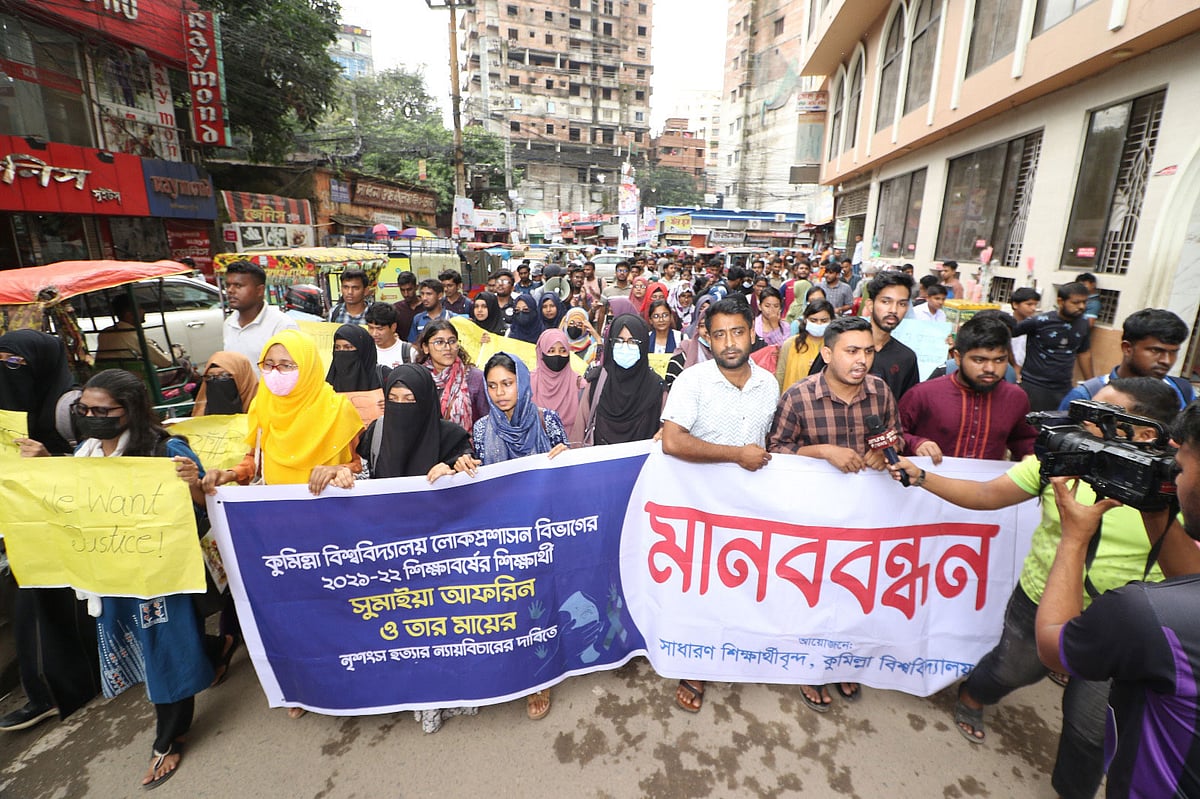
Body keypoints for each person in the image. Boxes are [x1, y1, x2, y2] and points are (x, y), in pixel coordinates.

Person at [887, 377, 1179, 799]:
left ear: (1145, 434)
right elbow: (988, 494)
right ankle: (973, 695)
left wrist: (1157, 506)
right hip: (1039, 600)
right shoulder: (1065, 458)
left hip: (1125, 627)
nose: (1083, 422)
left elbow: (1186, 572)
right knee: (1012, 669)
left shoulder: (1179, 485)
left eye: (1099, 417)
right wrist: (921, 478)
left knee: (1091, 726)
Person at [1035, 402, 1200, 798]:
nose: (1174, 473)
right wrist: (1155, 505)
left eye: (1181, 462)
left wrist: (1075, 537)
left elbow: (1053, 644)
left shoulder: (1148, 614)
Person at [202, 331, 364, 713]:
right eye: (269, 365)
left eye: (287, 365)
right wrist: (228, 473)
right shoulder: (264, 404)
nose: (276, 374)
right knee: (294, 609)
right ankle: (304, 687)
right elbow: (251, 460)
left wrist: (337, 468)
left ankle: (354, 673)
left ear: (307, 366)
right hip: (278, 526)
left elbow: (357, 465)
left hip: (328, 524)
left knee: (335, 604)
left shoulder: (335, 409)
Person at [70, 369, 213, 788]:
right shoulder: (84, 453)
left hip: (159, 577)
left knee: (166, 649)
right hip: (110, 574)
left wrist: (194, 485)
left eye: (102, 410)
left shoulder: (166, 449)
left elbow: (208, 511)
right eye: (85, 409)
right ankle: (214, 647)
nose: (91, 416)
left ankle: (167, 738)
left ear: (129, 410)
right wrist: (43, 471)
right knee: (145, 644)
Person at [768, 315, 903, 712]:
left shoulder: (880, 392)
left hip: (864, 519)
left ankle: (845, 660)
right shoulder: (798, 396)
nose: (862, 360)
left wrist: (884, 451)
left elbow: (895, 435)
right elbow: (776, 451)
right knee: (813, 593)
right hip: (811, 520)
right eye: (851, 351)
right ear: (827, 353)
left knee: (857, 591)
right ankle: (810, 668)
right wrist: (823, 451)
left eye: (867, 351)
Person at [660, 298, 780, 714]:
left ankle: (738, 651)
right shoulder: (691, 382)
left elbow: (768, 444)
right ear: (707, 339)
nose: (730, 343)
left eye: (738, 332)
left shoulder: (769, 383)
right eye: (719, 334)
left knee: (745, 580)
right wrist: (734, 455)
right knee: (701, 584)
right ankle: (694, 667)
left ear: (752, 333)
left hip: (751, 505)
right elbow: (673, 441)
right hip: (700, 506)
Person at [452, 352, 569, 721]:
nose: (501, 393)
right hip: (504, 531)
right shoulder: (483, 429)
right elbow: (480, 475)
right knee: (513, 603)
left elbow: (566, 473)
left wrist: (566, 457)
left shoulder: (546, 420)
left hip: (543, 527)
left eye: (507, 383)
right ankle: (521, 670)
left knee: (543, 600)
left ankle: (541, 676)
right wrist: (463, 463)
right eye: (492, 385)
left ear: (522, 381)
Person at [0, 331, 97, 734]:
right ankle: (47, 693)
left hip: (78, 523)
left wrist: (50, 459)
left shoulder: (73, 407)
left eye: (14, 363)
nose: (7, 373)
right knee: (32, 604)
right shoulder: (8, 410)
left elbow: (104, 465)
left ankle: (78, 683)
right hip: (28, 524)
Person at [899, 315, 1036, 462]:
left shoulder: (1015, 398)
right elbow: (894, 435)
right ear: (958, 357)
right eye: (979, 360)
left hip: (990, 483)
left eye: (999, 360)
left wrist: (1032, 458)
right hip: (927, 482)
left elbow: (1024, 440)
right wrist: (917, 444)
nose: (990, 368)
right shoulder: (922, 394)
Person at [810, 272, 919, 401]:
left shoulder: (906, 358)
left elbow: (907, 408)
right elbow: (810, 390)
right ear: (870, 305)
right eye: (886, 302)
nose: (893, 310)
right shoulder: (840, 346)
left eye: (902, 304)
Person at [1058, 308, 1195, 411]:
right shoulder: (1088, 395)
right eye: (1156, 351)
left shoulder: (1183, 391)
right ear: (1127, 348)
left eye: (1173, 352)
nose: (1167, 360)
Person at [578, 313, 663, 446]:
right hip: (600, 464)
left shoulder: (657, 387)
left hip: (644, 465)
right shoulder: (596, 381)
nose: (625, 346)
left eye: (632, 341)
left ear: (644, 345)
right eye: (619, 340)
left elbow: (666, 433)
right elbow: (578, 432)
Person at [1014, 282, 1094, 411]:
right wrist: (1013, 366)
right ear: (1060, 301)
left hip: (1063, 387)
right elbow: (1007, 334)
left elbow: (1084, 353)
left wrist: (1091, 384)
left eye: (1085, 302)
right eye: (1076, 302)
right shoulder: (1040, 321)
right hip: (1034, 387)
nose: (1081, 307)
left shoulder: (1083, 323)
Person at [222, 260, 298, 375]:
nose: (230, 290)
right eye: (228, 285)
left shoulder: (282, 325)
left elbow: (291, 373)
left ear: (260, 290)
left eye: (238, 285)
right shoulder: (229, 323)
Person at [416, 319, 488, 430]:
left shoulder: (475, 378)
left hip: (466, 445)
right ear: (425, 348)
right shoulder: (418, 379)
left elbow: (487, 421)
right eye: (439, 342)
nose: (448, 348)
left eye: (452, 341)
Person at [531, 328, 585, 443]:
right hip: (536, 452)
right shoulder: (528, 382)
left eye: (562, 351)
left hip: (571, 452)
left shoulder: (580, 384)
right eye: (551, 351)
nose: (557, 355)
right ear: (542, 353)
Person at [95, 294, 173, 367]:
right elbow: (165, 362)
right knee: (181, 362)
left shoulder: (104, 333)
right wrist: (176, 352)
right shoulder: (134, 335)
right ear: (129, 315)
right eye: (140, 308)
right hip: (133, 377)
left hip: (109, 375)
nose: (143, 311)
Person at [775, 300, 834, 391]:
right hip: (793, 399)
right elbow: (780, 375)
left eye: (824, 321)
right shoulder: (791, 344)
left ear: (831, 321)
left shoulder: (834, 346)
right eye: (813, 320)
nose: (819, 324)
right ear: (805, 320)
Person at [192, 351, 257, 416]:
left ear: (243, 377)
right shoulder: (201, 414)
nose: (216, 381)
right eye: (210, 376)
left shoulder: (262, 410)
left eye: (224, 375)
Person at [326, 324, 382, 393]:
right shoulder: (328, 383)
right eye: (337, 348)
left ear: (363, 351)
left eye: (348, 347)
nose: (342, 352)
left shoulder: (382, 379)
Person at [365, 303, 415, 370]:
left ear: (393, 327)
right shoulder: (365, 351)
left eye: (380, 329)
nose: (374, 334)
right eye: (371, 328)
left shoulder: (410, 352)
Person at [408, 278, 457, 344]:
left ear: (440, 295)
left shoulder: (451, 317)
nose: (424, 298)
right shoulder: (417, 319)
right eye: (422, 294)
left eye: (429, 294)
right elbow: (413, 344)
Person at [1008, 287, 1041, 375]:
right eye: (1029, 304)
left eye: (1035, 305)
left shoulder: (1035, 325)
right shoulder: (1004, 323)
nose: (1033, 308)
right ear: (1015, 304)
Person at [391, 272, 421, 341]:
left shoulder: (427, 306)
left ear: (416, 287)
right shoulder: (396, 308)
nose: (406, 294)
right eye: (402, 290)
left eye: (409, 290)